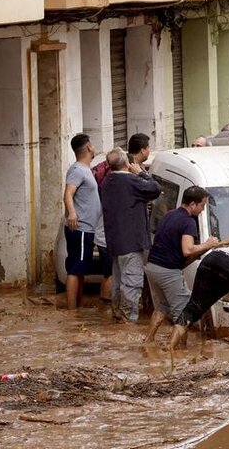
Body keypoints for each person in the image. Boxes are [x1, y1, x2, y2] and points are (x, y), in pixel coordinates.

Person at [144, 186, 220, 343]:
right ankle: (178, 349)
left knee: (162, 306)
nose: (202, 209)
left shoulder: (170, 214)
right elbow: (187, 249)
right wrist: (207, 245)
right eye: (202, 206)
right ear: (192, 204)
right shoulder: (188, 222)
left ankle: (148, 340)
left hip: (152, 267)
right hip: (167, 271)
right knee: (185, 312)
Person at [99, 148, 161, 323]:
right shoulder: (130, 181)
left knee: (119, 282)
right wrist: (141, 173)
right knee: (132, 283)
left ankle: (118, 315)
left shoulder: (107, 181)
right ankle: (128, 321)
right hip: (131, 242)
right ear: (127, 163)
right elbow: (155, 189)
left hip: (114, 241)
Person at [63, 133, 108, 310]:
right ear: (89, 147)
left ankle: (77, 308)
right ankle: (72, 312)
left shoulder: (85, 169)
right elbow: (68, 194)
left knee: (80, 270)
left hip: (87, 229)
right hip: (80, 228)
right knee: (75, 269)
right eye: (93, 144)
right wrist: (72, 213)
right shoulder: (77, 170)